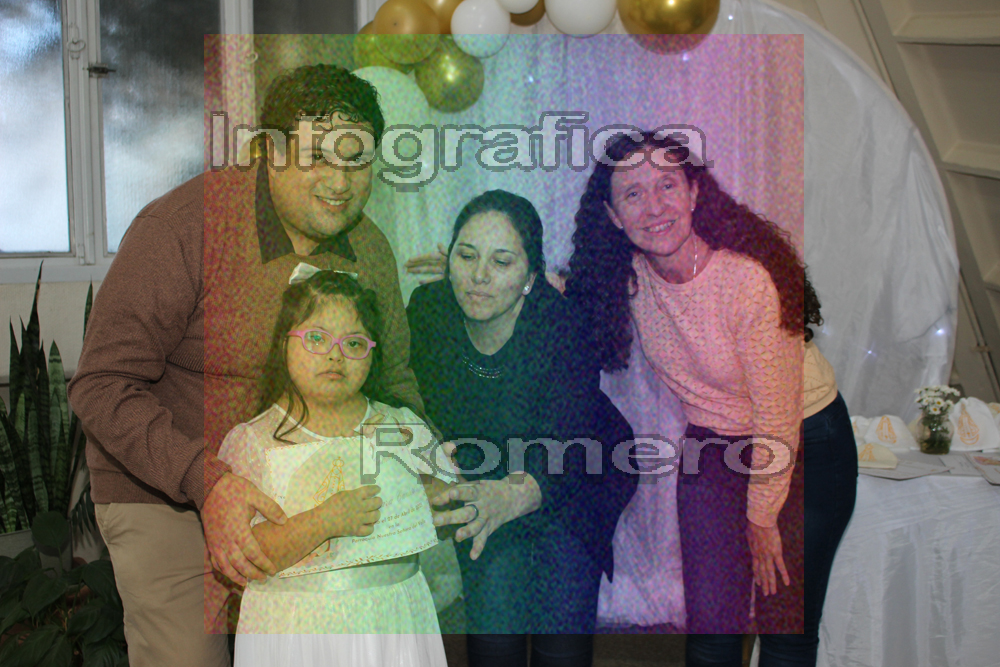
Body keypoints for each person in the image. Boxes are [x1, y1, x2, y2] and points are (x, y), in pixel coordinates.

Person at [68, 63, 423, 664]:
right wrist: (209, 482)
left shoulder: (370, 249)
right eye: (317, 156)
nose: (340, 181)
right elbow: (101, 385)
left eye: (357, 159)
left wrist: (423, 461)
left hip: (304, 492)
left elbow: (394, 383)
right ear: (267, 152)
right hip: (167, 490)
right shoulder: (183, 228)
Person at [564, 131, 805, 662]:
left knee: (783, 627)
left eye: (667, 185)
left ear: (695, 193)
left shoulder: (746, 280)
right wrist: (490, 273)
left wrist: (762, 516)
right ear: (613, 216)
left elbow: (778, 416)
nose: (654, 207)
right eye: (632, 194)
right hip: (714, 445)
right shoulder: (630, 278)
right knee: (711, 633)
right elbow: (568, 289)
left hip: (798, 444)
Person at [406, 190, 638, 667]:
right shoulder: (428, 310)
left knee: (561, 628)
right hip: (488, 473)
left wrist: (514, 495)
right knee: (495, 627)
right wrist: (429, 449)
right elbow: (407, 396)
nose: (479, 275)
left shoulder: (564, 326)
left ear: (531, 277)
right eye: (466, 256)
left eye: (502, 262)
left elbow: (566, 443)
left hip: (577, 472)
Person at [218, 270, 451, 666]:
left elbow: (449, 512)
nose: (335, 355)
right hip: (295, 633)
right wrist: (324, 521)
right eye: (316, 338)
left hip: (391, 624)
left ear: (374, 354)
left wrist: (436, 499)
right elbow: (247, 555)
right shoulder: (254, 441)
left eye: (354, 343)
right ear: (283, 344)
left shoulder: (402, 426)